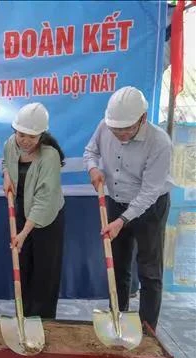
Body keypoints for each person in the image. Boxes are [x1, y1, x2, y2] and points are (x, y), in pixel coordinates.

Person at [83, 86, 172, 331]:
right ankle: (117, 320)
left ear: (142, 118)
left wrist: (122, 220)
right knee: (118, 265)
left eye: (126, 129)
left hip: (150, 208)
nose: (120, 134)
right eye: (115, 129)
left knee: (149, 271)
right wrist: (93, 169)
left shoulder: (159, 143)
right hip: (116, 200)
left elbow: (149, 192)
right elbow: (90, 151)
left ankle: (147, 330)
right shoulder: (105, 126)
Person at [2, 103, 65, 319]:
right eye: (21, 134)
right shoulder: (10, 144)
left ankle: (44, 321)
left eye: (32, 136)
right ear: (15, 131)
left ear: (41, 135)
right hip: (21, 210)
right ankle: (25, 315)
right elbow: (6, 162)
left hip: (47, 218)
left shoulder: (50, 157)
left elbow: (43, 201)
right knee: (24, 266)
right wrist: (6, 176)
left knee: (45, 273)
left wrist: (23, 233)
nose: (25, 141)